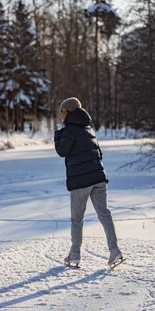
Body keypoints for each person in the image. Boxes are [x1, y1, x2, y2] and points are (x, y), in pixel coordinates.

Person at [54, 97, 123, 267]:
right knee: (104, 214)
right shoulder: (88, 128)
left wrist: (58, 134)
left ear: (67, 112)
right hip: (98, 178)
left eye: (62, 112)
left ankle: (75, 255)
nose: (61, 115)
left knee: (77, 219)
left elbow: (62, 151)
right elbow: (98, 153)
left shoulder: (70, 129)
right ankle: (115, 251)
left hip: (81, 181)